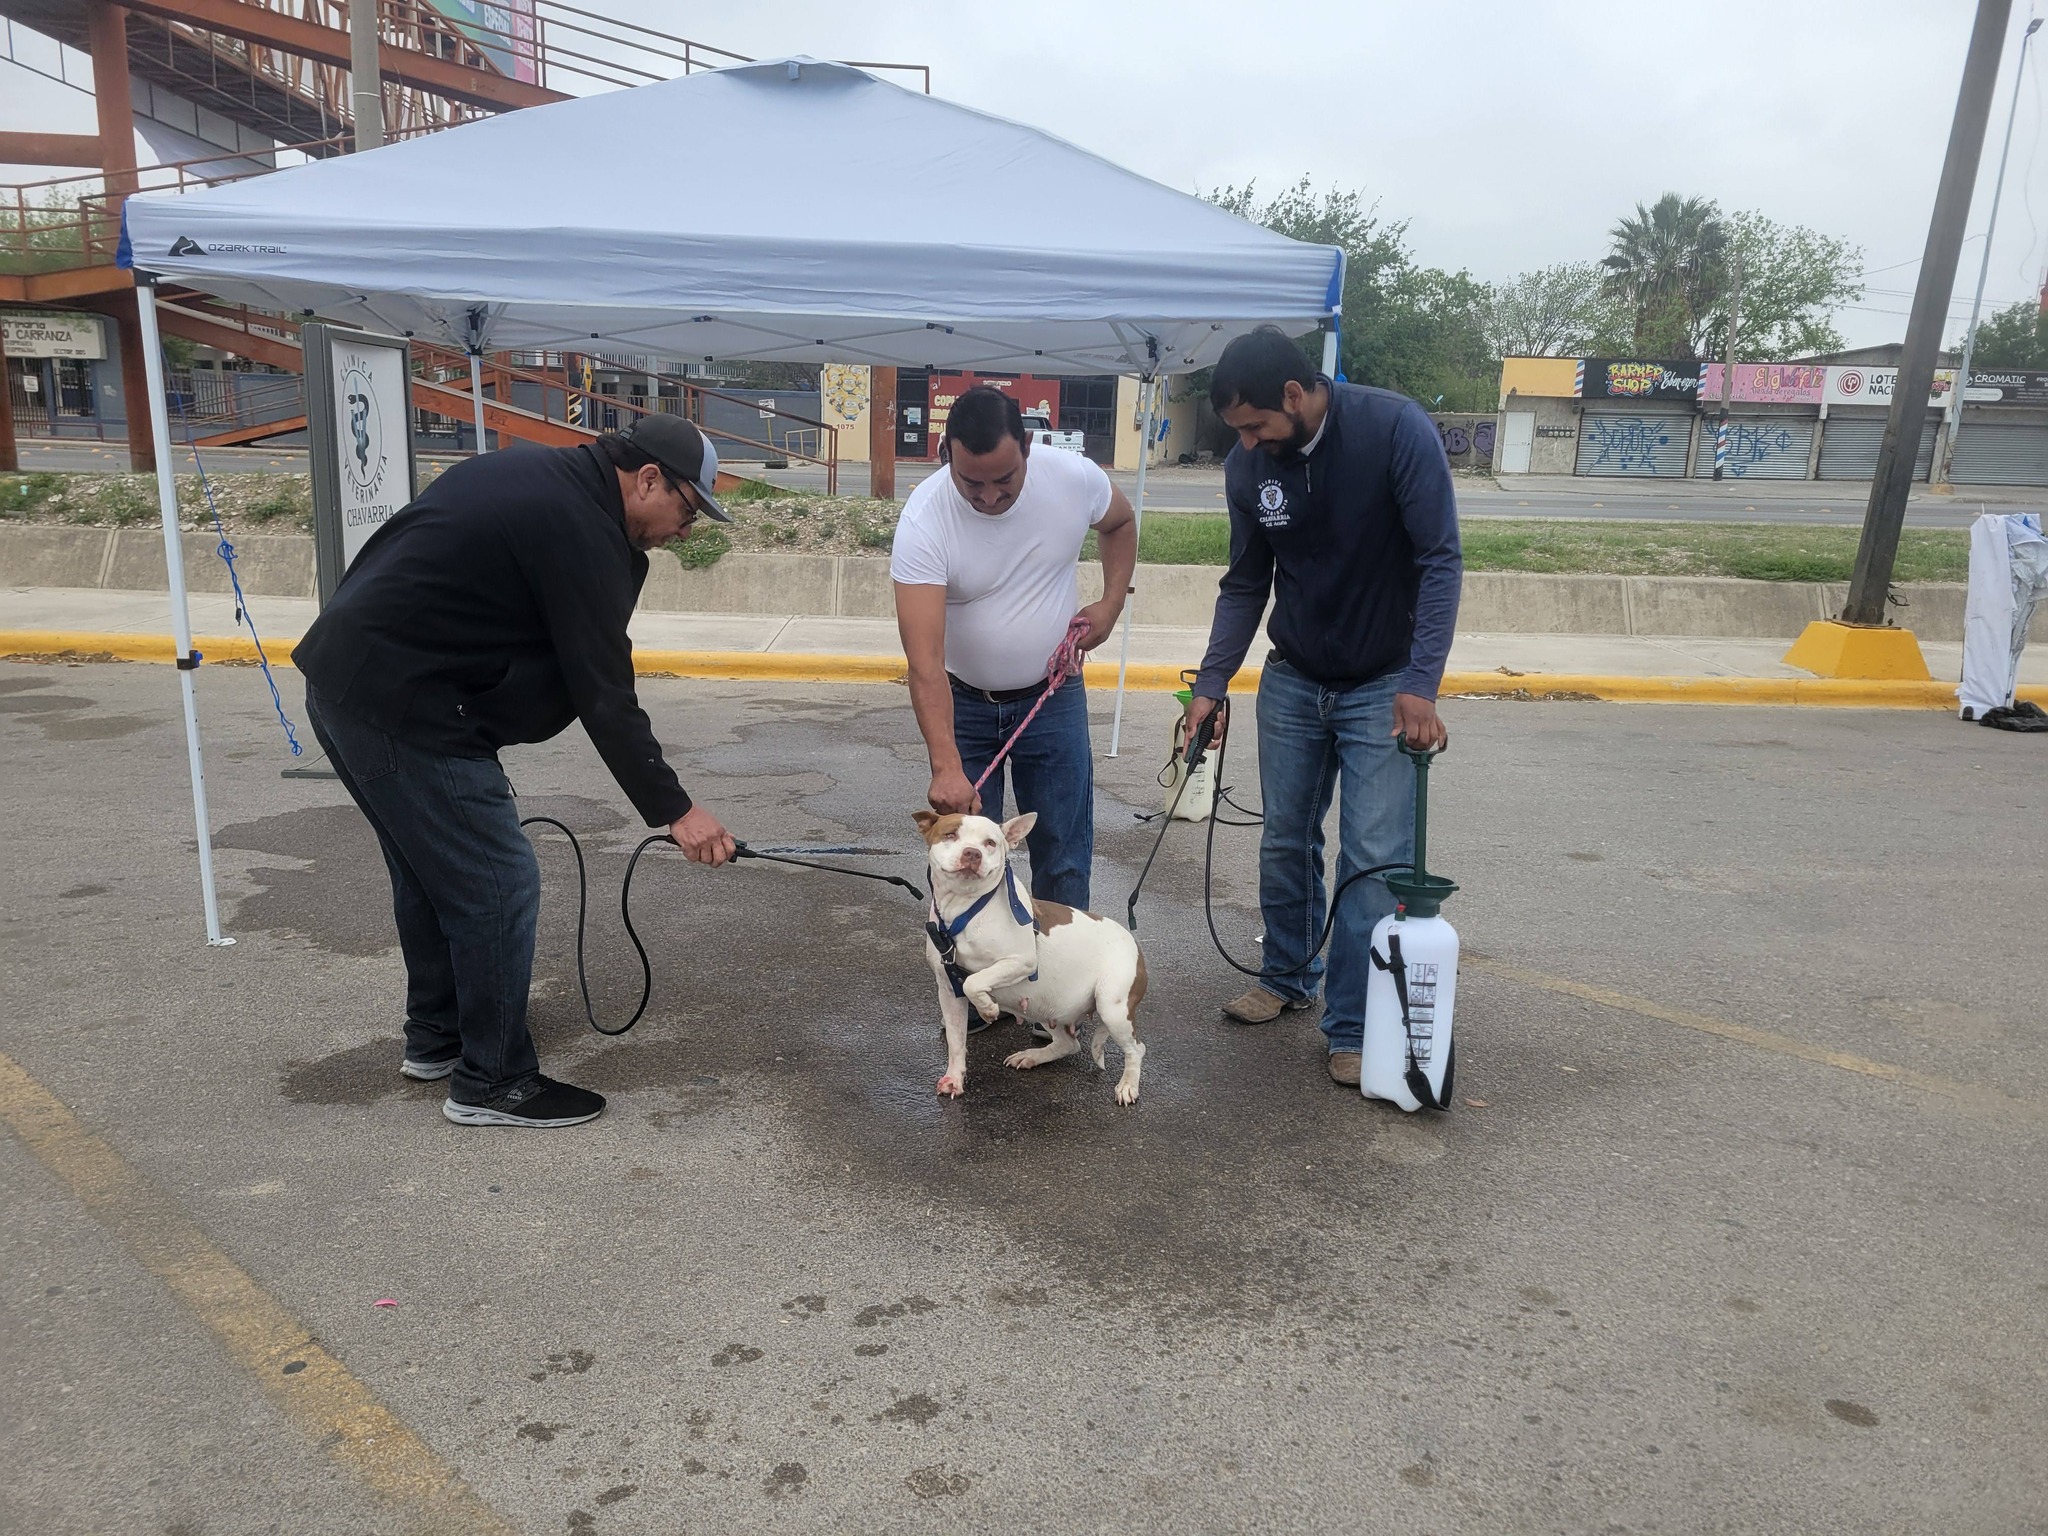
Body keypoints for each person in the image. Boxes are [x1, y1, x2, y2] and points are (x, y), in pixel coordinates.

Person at [293, 415, 738, 1129]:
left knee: (430, 874)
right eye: (688, 510)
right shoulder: (580, 526)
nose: (688, 531)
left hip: (351, 683)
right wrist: (676, 811)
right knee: (499, 881)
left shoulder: (539, 478)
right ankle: (493, 1079)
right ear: (648, 478)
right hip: (406, 708)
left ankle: (438, 1040)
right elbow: (603, 691)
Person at [1184, 328, 1462, 1089]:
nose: (1245, 443)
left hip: (1384, 681)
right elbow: (1245, 582)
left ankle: (1351, 1024)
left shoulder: (1393, 429)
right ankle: (1286, 978)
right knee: (1285, 838)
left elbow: (1441, 559)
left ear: (1297, 397)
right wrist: (1211, 685)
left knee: (1371, 861)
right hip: (1294, 678)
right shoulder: (1252, 468)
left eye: (1254, 425)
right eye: (1237, 430)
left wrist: (1421, 683)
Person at [891, 385, 1137, 1023]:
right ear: (947, 456)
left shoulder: (1072, 478)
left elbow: (1120, 522)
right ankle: (974, 994)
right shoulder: (925, 516)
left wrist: (1109, 605)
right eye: (972, 483)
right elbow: (924, 663)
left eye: (1004, 480)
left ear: (1028, 448)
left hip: (1052, 699)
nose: (989, 497)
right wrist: (945, 762)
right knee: (965, 858)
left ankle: (1054, 995)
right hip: (965, 707)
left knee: (1061, 850)